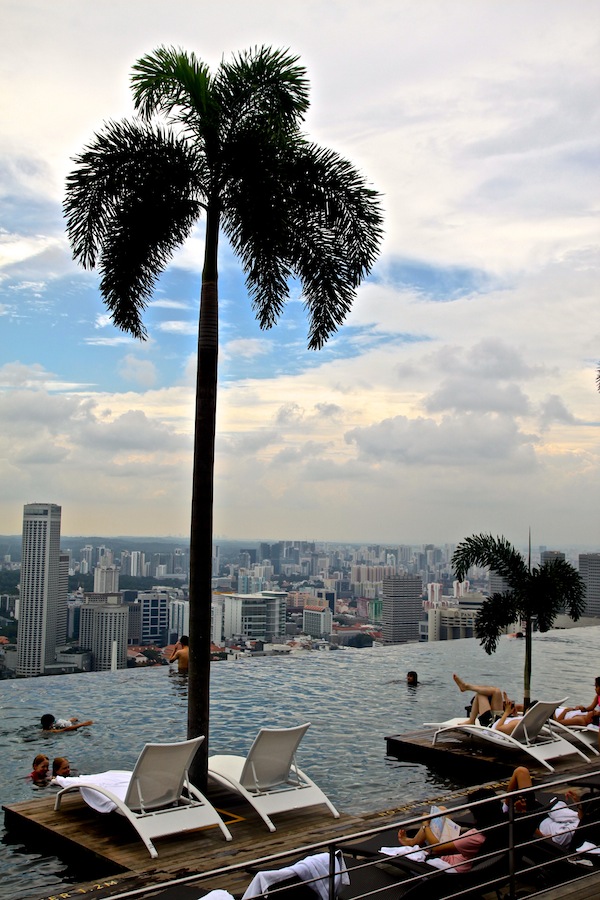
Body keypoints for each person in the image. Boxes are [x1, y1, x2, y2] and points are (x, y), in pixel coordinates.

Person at [397, 787, 501, 872]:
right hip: (464, 852)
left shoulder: (474, 836)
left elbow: (437, 848)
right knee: (441, 810)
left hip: (451, 862)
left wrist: (425, 824)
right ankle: (413, 841)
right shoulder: (501, 824)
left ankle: (413, 842)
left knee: (430, 820)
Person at [453, 674, 522, 729]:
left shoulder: (521, 723)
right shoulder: (523, 720)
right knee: (496, 691)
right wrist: (514, 713)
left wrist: (507, 712)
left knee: (480, 695)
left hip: (492, 723)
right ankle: (466, 687)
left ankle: (467, 687)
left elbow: (498, 728)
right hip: (500, 719)